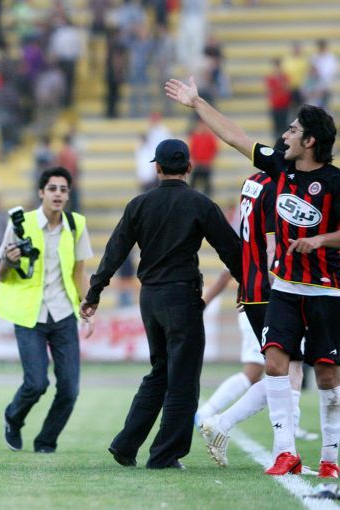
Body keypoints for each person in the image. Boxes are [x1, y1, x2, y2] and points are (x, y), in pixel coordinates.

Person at [165, 76, 340, 477]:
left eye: (293, 130)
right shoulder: (279, 168)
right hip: (284, 288)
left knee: (328, 375)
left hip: (326, 291)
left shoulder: (335, 182)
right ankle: (286, 452)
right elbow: (236, 137)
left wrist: (320, 240)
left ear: (310, 140)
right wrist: (197, 103)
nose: (286, 135)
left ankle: (330, 459)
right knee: (275, 364)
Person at [81, 138, 242, 469]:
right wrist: (249, 285)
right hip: (181, 296)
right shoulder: (201, 203)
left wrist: (94, 292)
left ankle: (126, 444)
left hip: (150, 298)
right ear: (189, 167)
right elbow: (231, 249)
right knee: (183, 378)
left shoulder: (139, 204)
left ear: (157, 167)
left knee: (160, 371)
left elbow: (115, 250)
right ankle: (165, 455)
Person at [196, 151, 315, 468]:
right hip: (274, 290)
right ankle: (230, 427)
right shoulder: (278, 188)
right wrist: (285, 287)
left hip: (253, 288)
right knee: (288, 371)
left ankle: (282, 450)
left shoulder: (252, 182)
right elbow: (273, 246)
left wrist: (245, 280)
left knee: (282, 370)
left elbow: (246, 242)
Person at [0, 166, 94, 454]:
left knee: (70, 389)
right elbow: (1, 273)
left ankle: (46, 441)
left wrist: (87, 306)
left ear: (69, 195)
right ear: (41, 192)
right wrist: (10, 261)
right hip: (29, 314)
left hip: (63, 314)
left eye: (63, 189)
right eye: (52, 188)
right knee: (36, 383)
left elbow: (79, 272)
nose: (58, 194)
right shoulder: (20, 223)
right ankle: (13, 418)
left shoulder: (76, 225)